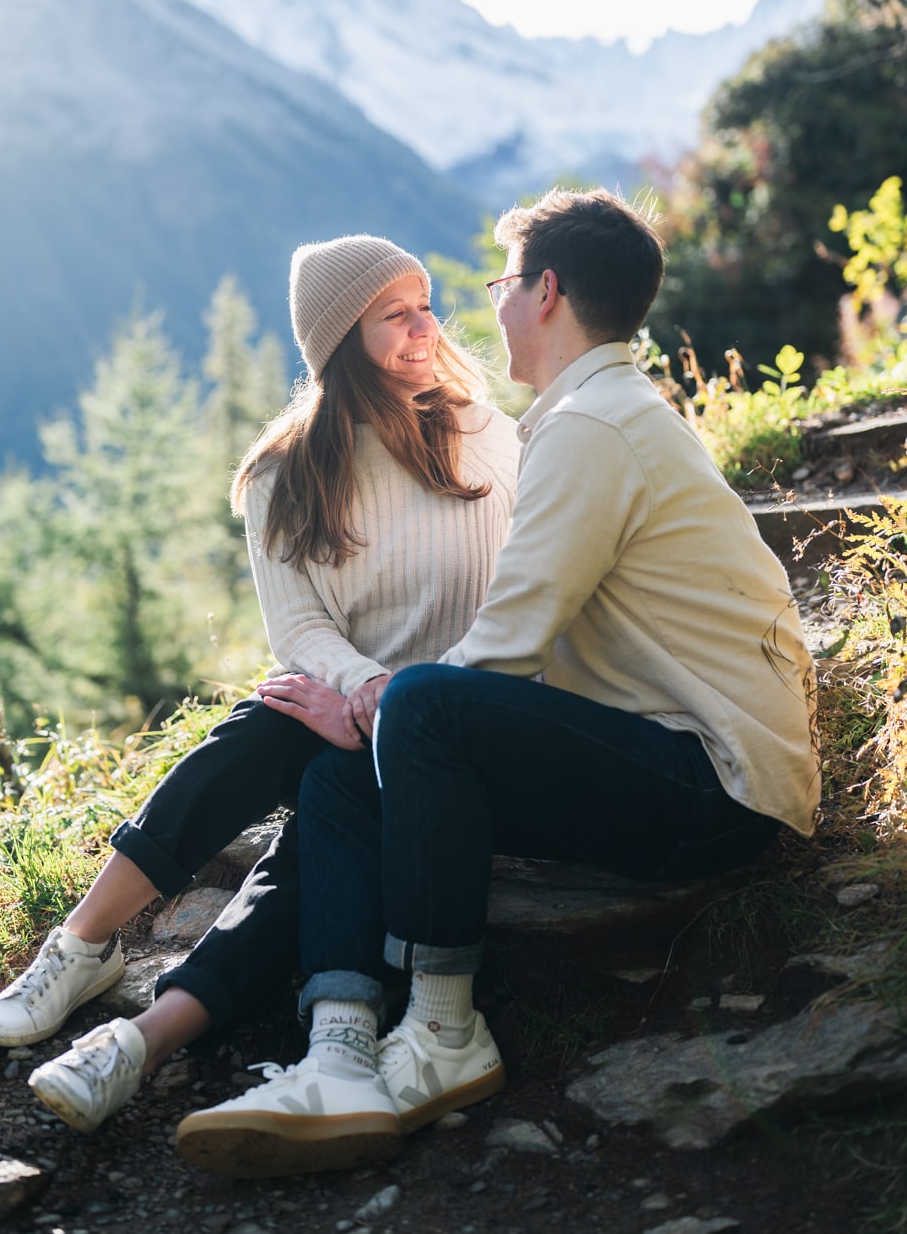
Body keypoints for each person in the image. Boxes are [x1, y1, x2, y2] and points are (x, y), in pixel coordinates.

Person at [174, 187, 821, 1179]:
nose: (490, 306)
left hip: (717, 785)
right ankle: (340, 1047)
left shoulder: (590, 429)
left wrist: (373, 708)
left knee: (421, 707)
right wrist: (373, 731)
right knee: (343, 780)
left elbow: (503, 649)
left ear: (546, 291)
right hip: (675, 756)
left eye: (503, 283)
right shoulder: (591, 414)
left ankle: (440, 1029)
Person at [0, 233, 519, 1136]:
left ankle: (143, 1037)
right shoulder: (286, 472)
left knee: (318, 814)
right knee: (270, 721)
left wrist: (399, 711)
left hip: (458, 714)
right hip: (363, 702)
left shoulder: (480, 429)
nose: (427, 327)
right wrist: (364, 690)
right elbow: (299, 627)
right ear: (342, 337)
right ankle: (84, 945)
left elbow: (524, 588)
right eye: (397, 313)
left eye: (426, 304)